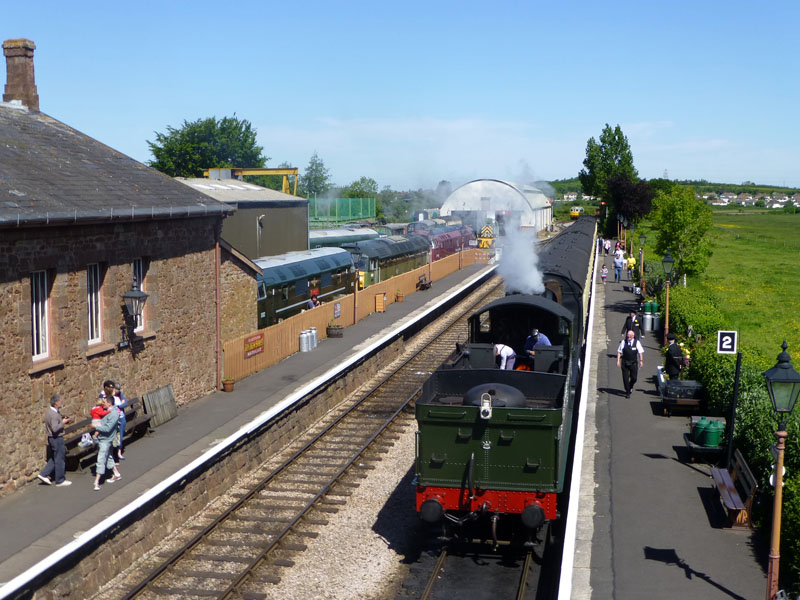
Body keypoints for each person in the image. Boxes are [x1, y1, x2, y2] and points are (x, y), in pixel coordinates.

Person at [38, 394, 72, 487]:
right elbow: (55, 428)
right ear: (56, 403)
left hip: (52, 438)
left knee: (55, 457)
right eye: (61, 401)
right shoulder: (53, 414)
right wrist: (63, 422)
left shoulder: (50, 411)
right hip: (56, 438)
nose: (62, 402)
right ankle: (60, 480)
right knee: (60, 458)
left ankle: (43, 474)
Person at [92, 394, 121, 490]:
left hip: (106, 440)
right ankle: (116, 473)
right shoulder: (109, 411)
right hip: (102, 438)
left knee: (101, 459)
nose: (102, 404)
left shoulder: (113, 414)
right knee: (108, 456)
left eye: (104, 402)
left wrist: (96, 427)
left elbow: (108, 428)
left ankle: (97, 482)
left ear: (109, 403)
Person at [616, 329, 644, 398]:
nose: (629, 337)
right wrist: (618, 360)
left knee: (634, 378)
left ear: (633, 336)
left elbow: (640, 352)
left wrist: (641, 360)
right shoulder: (623, 342)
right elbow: (619, 352)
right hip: (625, 363)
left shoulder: (637, 342)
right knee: (625, 379)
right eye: (628, 335)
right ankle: (627, 392)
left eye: (630, 336)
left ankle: (630, 386)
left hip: (633, 363)